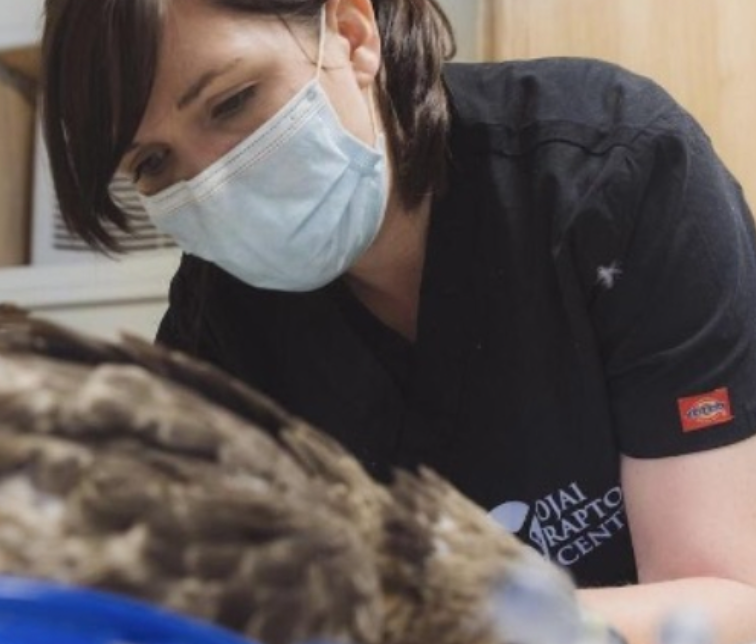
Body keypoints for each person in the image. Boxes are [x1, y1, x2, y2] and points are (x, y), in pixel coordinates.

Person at [39, 0, 756, 642]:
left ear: (351, 31)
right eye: (155, 163)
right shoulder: (216, 328)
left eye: (231, 102)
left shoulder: (612, 177)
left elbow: (727, 605)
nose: (212, 183)